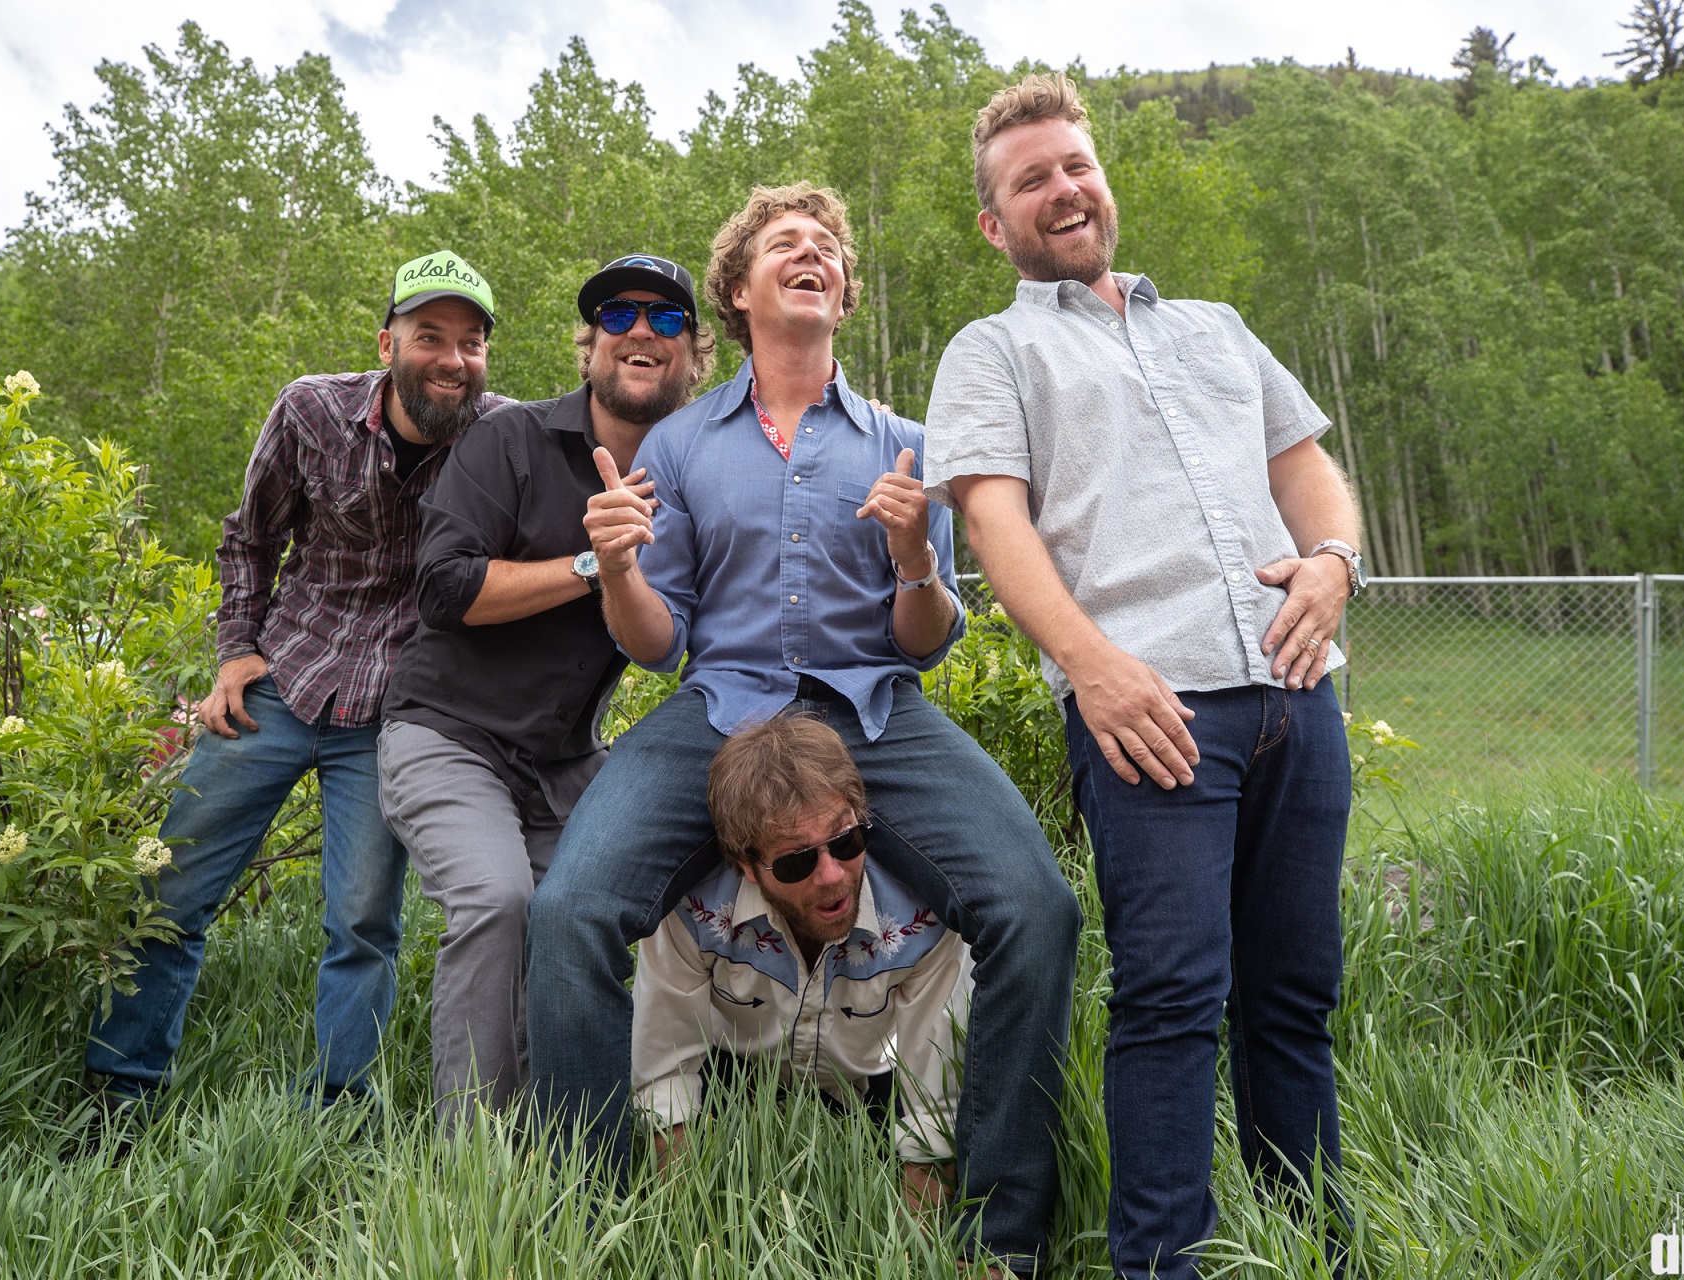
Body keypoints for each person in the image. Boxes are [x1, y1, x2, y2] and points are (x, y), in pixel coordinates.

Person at [526, 182, 1080, 1278]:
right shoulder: (679, 445)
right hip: (719, 706)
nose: (812, 252)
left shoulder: (907, 445)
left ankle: (999, 1239)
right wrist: (622, 567)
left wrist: (916, 559)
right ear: (739, 290)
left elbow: (923, 641)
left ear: (842, 294)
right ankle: (587, 1220)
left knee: (1037, 906)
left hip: (874, 707)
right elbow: (653, 642)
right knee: (570, 908)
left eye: (827, 245)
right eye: (786, 243)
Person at [923, 73, 1365, 1280]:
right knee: (1171, 997)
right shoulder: (993, 350)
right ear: (996, 223)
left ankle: (1308, 1248)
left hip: (1297, 697)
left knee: (1295, 997)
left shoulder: (1216, 326)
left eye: (1075, 165)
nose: (1063, 189)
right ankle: (1159, 1262)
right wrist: (1094, 670)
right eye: (1031, 181)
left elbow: (1310, 472)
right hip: (1151, 710)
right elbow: (996, 528)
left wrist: (1334, 561)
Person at [86, 250, 510, 1109]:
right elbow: (249, 539)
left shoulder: (503, 437)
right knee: (172, 891)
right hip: (282, 681)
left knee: (363, 923)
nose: (450, 358)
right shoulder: (311, 408)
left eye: (470, 343)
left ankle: (337, 1112)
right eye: (430, 335)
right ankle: (118, 1092)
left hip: (395, 712)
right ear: (388, 339)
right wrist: (235, 650)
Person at [377, 254, 714, 1123]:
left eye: (667, 320)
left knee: (612, 911)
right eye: (617, 316)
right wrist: (588, 563)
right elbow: (444, 591)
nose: (641, 331)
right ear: (590, 345)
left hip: (568, 760)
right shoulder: (510, 439)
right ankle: (471, 1164)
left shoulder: (693, 480)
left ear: (692, 355)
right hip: (447, 735)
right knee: (498, 903)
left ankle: (589, 1136)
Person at [633, 713, 971, 1214]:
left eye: (845, 841)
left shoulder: (928, 918)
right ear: (746, 866)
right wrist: (690, 1233)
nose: (833, 876)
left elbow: (934, 1105)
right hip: (733, 1080)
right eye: (796, 861)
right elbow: (664, 1076)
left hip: (870, 1089)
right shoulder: (687, 913)